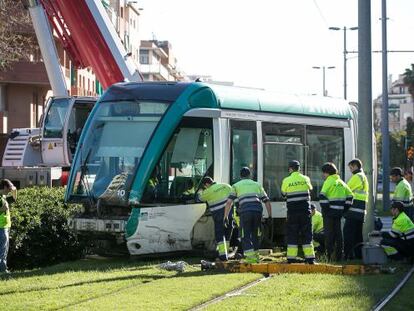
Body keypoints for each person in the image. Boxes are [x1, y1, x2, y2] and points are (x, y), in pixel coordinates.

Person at [224, 167, 272, 264]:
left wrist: (225, 217)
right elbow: (267, 201)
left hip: (245, 212)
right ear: (250, 175)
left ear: (240, 176)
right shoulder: (257, 185)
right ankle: (256, 257)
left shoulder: (236, 185)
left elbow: (229, 202)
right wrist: (270, 215)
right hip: (258, 212)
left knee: (245, 235)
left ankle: (250, 258)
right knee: (255, 235)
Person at [281, 160, 315, 264]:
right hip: (305, 211)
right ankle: (310, 259)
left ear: (290, 169)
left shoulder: (286, 180)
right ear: (299, 168)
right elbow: (310, 189)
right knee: (307, 234)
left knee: (292, 234)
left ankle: (291, 259)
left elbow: (283, 194)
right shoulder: (306, 178)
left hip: (292, 212)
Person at [319, 162, 353, 262]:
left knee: (329, 235)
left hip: (329, 214)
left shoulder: (329, 181)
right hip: (338, 213)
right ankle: (339, 256)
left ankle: (328, 257)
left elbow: (322, 196)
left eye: (323, 173)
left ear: (327, 173)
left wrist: (326, 209)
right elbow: (350, 196)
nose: (323, 175)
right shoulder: (341, 182)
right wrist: (344, 209)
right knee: (338, 235)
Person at [198, 177, 233, 261]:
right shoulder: (226, 186)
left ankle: (223, 255)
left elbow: (200, 199)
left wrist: (200, 192)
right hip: (229, 214)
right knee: (227, 233)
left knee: (220, 235)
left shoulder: (207, 191)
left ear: (206, 184)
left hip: (218, 216)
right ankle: (226, 253)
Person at [344, 158, 369, 260]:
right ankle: (359, 255)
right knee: (358, 235)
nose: (350, 170)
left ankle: (348, 255)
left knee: (348, 233)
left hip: (353, 210)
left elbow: (346, 190)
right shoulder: (363, 177)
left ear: (355, 166)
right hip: (361, 210)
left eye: (351, 167)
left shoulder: (356, 176)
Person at [0, 179, 16, 274]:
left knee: (4, 249)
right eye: (9, 188)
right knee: (2, 249)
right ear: (5, 187)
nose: (10, 190)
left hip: (5, 226)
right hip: (1, 227)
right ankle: (2, 270)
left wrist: (15, 190)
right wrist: (2, 209)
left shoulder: (4, 196)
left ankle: (3, 268)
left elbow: (14, 199)